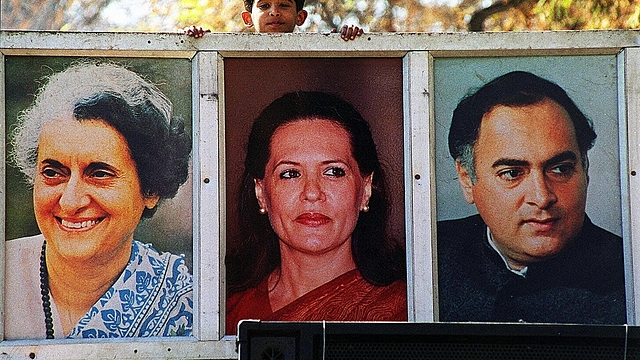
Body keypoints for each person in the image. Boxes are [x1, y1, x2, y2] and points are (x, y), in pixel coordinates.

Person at [5, 61, 194, 339]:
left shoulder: (185, 303)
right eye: (52, 172)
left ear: (151, 190)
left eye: (99, 173)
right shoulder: (5, 272)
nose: (70, 201)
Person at [438, 70, 626, 324]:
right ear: (466, 179)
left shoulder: (629, 271)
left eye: (560, 169)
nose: (542, 197)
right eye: (512, 173)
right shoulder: (427, 257)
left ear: (585, 169)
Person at [226, 91, 407, 334]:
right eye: (290, 173)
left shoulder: (409, 311)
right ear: (261, 193)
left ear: (365, 189)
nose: (312, 193)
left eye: (333, 172)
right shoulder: (226, 318)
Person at [182, 0, 363, 41]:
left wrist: (344, 43)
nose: (274, 13)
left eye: (284, 5)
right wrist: (196, 41)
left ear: (300, 17)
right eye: (264, 6)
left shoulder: (314, 56)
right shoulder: (235, 58)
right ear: (247, 18)